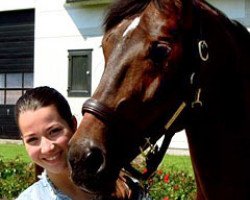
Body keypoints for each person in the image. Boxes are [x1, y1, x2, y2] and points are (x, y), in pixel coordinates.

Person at [15, 86, 144, 200]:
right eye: (32, 139)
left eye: (54, 131)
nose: (47, 148)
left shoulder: (128, 190)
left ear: (73, 124)